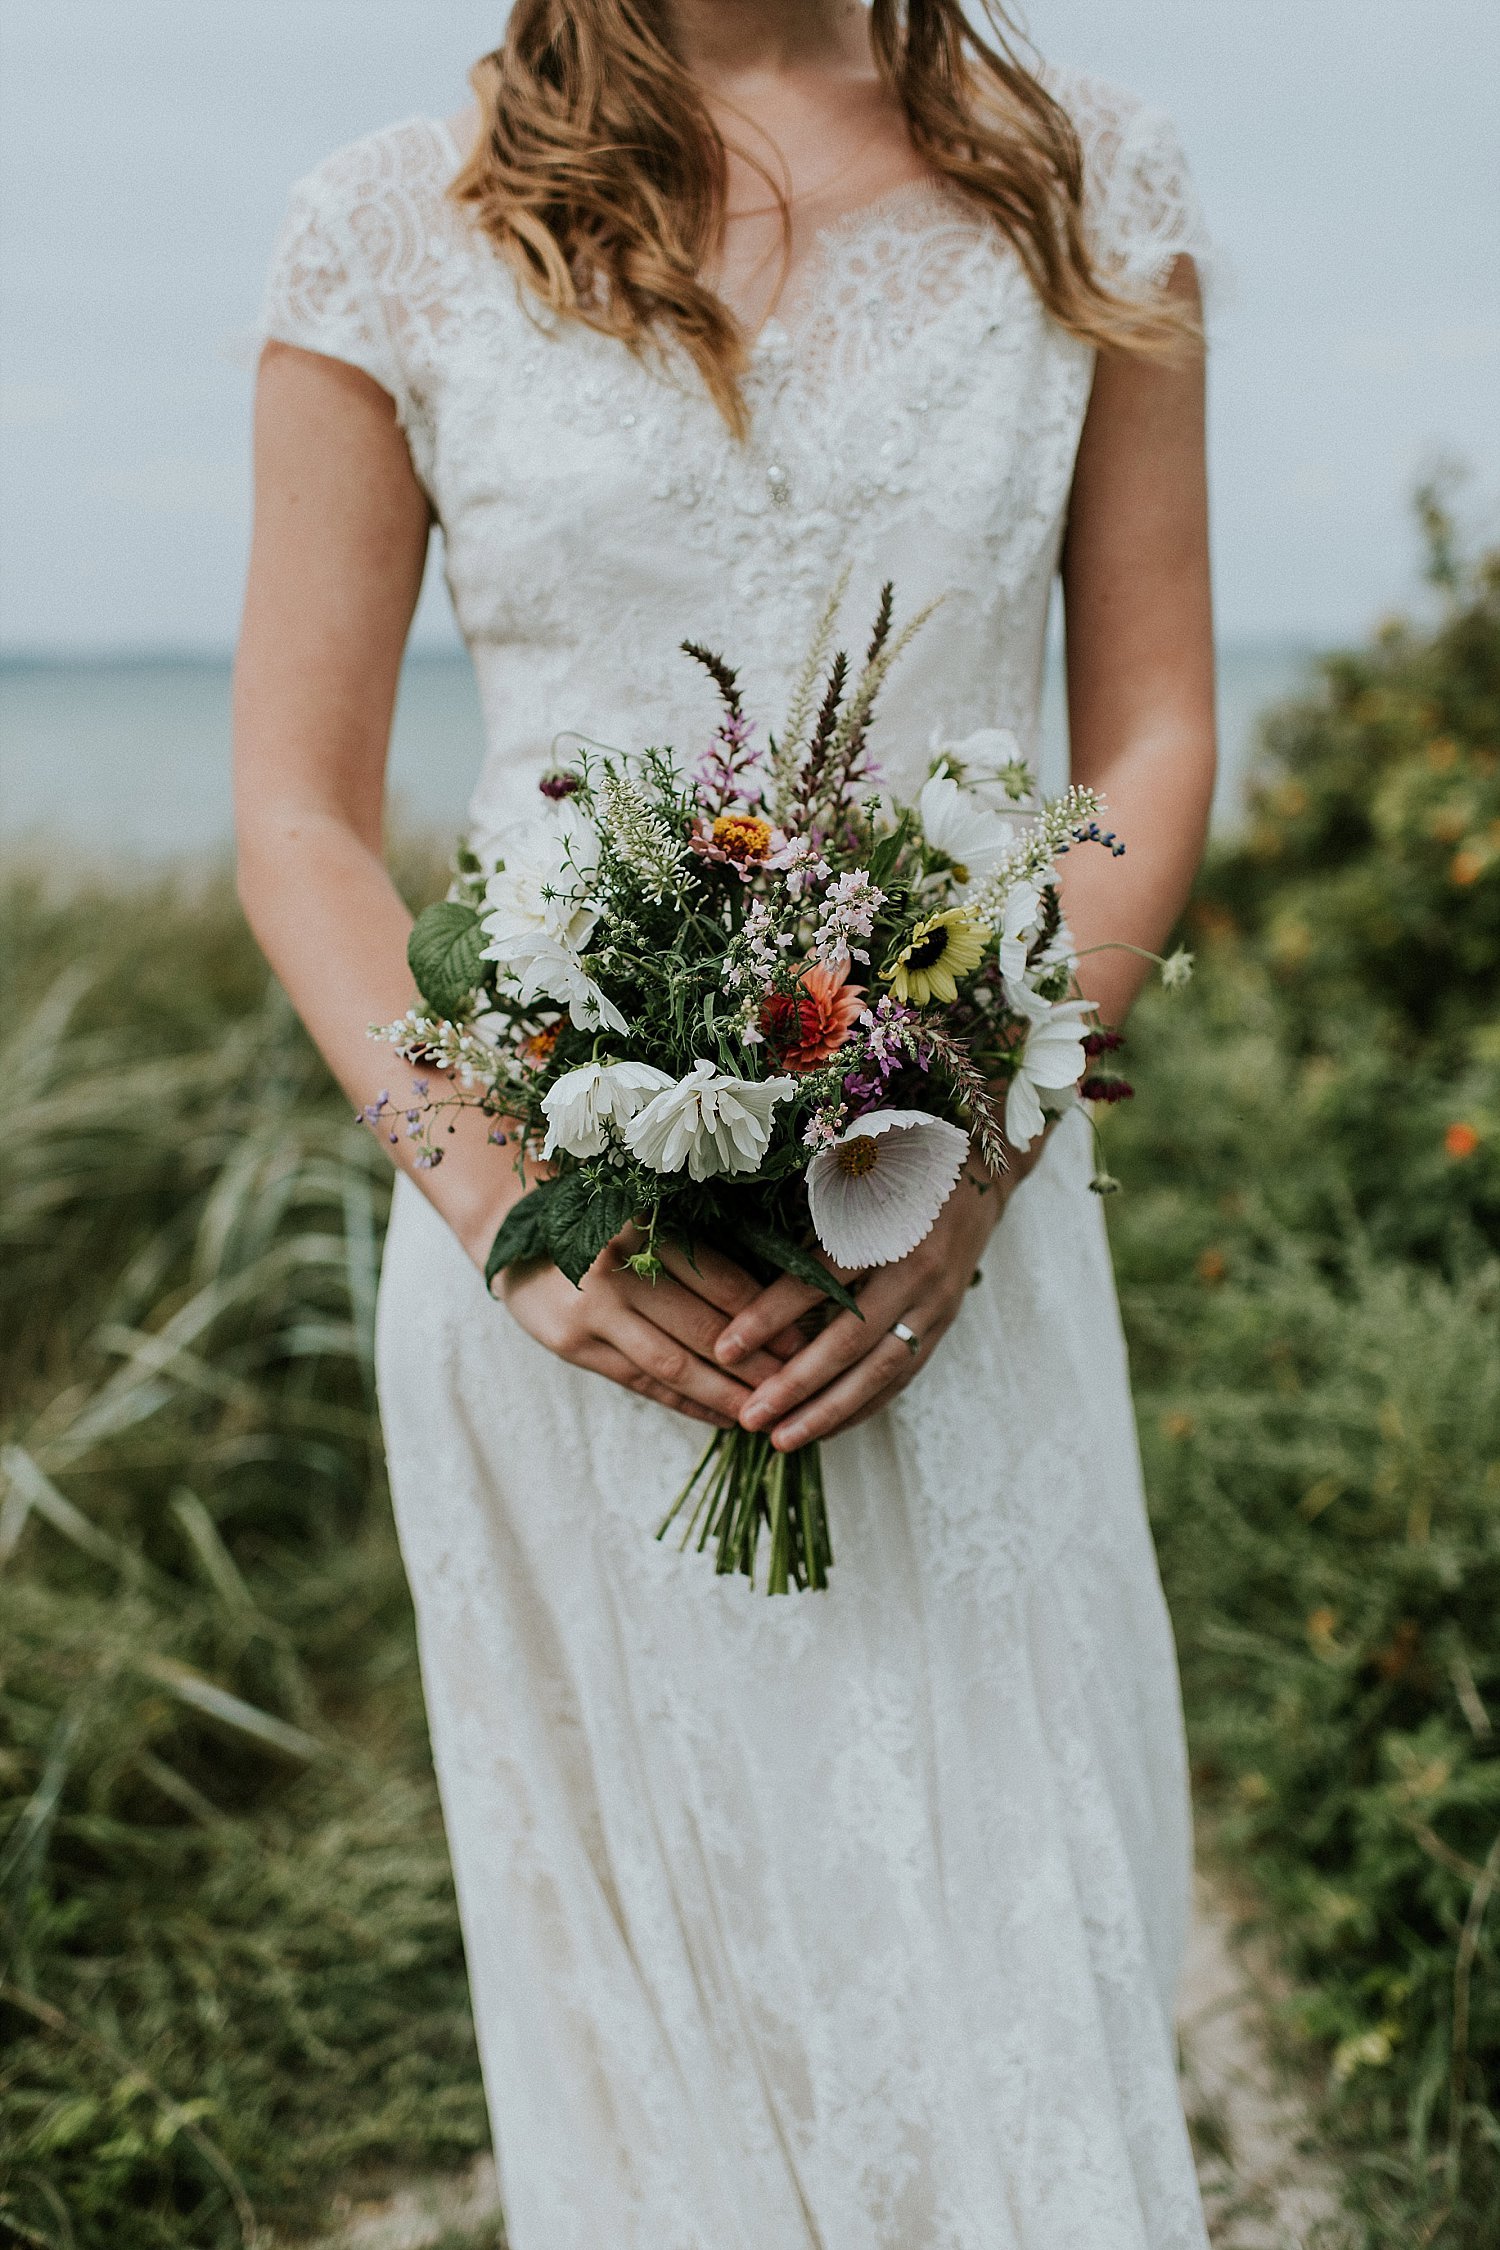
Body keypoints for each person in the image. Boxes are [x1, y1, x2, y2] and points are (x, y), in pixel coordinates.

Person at [235, 2, 1217, 2241]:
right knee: (671, 2027)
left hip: (956, 1210)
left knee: (1002, 1980)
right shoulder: (392, 228)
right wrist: (495, 1199)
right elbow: (297, 814)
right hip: (557, 1268)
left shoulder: (1097, 184)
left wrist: (978, 1136)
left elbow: (1152, 735)